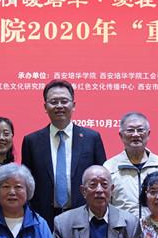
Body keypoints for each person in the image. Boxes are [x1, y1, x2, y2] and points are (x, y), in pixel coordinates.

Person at [21, 80, 106, 226]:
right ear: (45, 107)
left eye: (64, 101)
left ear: (73, 105)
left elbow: (103, 178)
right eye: (54, 102)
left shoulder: (91, 138)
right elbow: (26, 183)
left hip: (84, 216)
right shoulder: (32, 141)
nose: (59, 106)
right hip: (42, 218)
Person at [103, 112, 158, 217]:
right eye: (130, 130)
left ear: (148, 134)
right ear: (121, 135)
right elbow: (103, 205)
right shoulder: (109, 167)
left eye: (140, 130)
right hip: (122, 226)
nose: (135, 134)